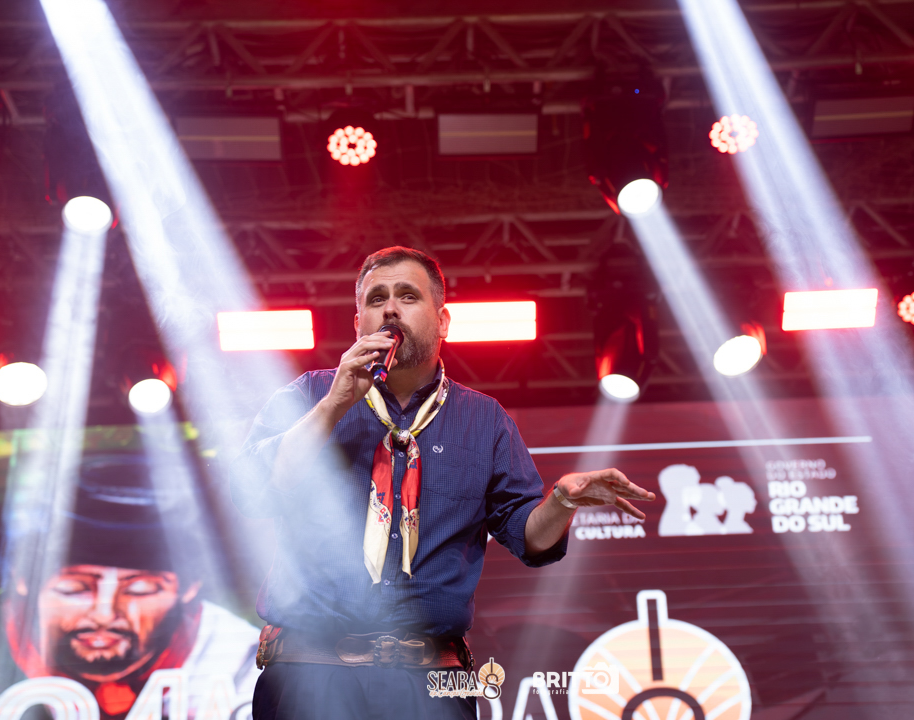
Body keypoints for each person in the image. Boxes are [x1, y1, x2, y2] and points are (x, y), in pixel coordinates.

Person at [232, 246, 656, 720]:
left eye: (407, 296)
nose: (390, 309)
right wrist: (335, 404)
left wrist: (560, 500)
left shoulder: (484, 420)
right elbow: (253, 493)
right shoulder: (310, 394)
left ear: (443, 321)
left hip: (432, 680)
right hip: (310, 672)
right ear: (357, 324)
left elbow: (530, 539)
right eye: (376, 299)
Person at [0, 454, 260, 720]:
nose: (104, 614)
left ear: (189, 589)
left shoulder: (242, 661)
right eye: (74, 588)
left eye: (140, 589)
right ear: (24, 579)